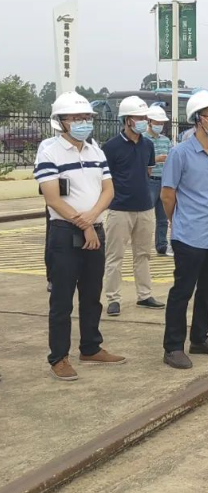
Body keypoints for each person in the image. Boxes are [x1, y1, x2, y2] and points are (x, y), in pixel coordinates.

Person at [35, 91, 125, 381]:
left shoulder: (95, 150)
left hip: (94, 230)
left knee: (91, 294)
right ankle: (59, 357)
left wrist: (93, 217)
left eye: (86, 117)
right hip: (65, 233)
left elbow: (108, 190)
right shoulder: (49, 151)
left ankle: (90, 347)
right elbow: (52, 198)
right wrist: (83, 224)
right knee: (62, 299)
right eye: (76, 117)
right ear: (60, 121)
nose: (83, 122)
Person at [160, 90, 208, 369]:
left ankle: (200, 337)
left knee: (207, 290)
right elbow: (167, 195)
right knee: (183, 291)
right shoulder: (180, 154)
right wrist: (178, 221)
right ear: (200, 119)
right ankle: (173, 347)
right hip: (189, 236)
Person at [102, 96, 165, 317]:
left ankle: (144, 295)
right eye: (139, 118)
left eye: (144, 117)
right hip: (119, 209)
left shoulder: (148, 145)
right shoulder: (111, 147)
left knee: (143, 254)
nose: (143, 122)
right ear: (127, 120)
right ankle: (113, 299)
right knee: (115, 256)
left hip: (145, 208)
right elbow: (104, 178)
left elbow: (148, 171)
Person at [144, 105, 173, 257]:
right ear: (149, 121)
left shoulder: (166, 140)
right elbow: (139, 160)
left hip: (164, 181)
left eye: (162, 123)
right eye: (157, 122)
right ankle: (142, 246)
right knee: (146, 217)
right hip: (149, 181)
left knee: (163, 217)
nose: (160, 125)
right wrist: (155, 159)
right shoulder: (142, 139)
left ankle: (162, 246)